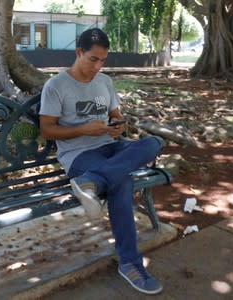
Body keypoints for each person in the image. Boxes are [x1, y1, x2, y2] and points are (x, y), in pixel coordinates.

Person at [39, 28, 164, 295]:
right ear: (78, 52)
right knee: (122, 179)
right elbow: (47, 130)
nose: (98, 66)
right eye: (93, 59)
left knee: (154, 143)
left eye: (103, 61)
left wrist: (118, 126)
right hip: (79, 155)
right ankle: (130, 263)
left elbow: (115, 115)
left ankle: (92, 181)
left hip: (109, 147)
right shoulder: (56, 86)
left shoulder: (105, 82)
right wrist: (82, 130)